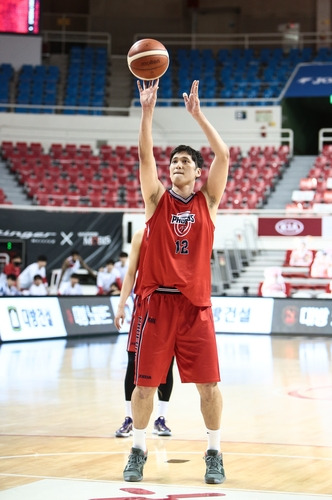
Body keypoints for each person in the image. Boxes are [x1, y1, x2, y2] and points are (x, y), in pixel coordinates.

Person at [122, 79, 229, 484]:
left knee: (209, 387)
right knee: (143, 387)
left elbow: (225, 154)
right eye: (174, 162)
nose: (177, 165)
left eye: (186, 162)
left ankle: (214, 453)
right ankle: (137, 450)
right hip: (157, 306)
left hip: (194, 308)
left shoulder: (209, 201)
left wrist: (198, 116)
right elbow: (144, 156)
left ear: (198, 172)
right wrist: (147, 112)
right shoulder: (156, 200)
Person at [115, 228, 174, 439]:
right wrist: (121, 305)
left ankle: (161, 418)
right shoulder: (141, 235)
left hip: (170, 307)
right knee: (133, 362)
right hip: (144, 306)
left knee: (166, 366)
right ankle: (129, 418)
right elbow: (131, 273)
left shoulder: (178, 232)